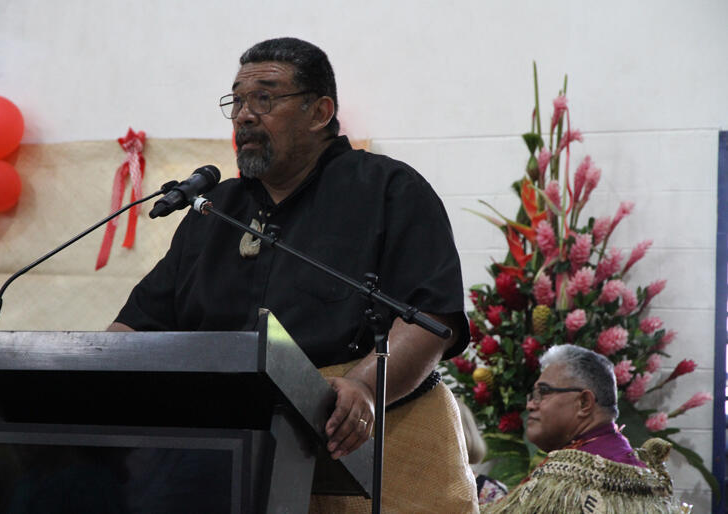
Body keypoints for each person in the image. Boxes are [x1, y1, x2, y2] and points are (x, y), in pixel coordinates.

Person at [110, 37, 478, 512]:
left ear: (319, 111)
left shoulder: (388, 189)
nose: (245, 115)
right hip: (230, 460)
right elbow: (136, 328)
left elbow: (431, 316)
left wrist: (366, 386)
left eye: (264, 98)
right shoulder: (215, 210)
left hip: (371, 443)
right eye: (237, 101)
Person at [482, 344, 679, 513]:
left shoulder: (562, 480)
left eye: (543, 392)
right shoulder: (638, 469)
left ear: (584, 402)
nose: (530, 405)